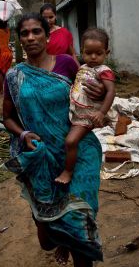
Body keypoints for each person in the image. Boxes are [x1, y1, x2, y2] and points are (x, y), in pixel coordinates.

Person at [2, 13, 104, 267]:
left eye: (37, 31)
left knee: (80, 221)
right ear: (20, 41)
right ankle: (61, 240)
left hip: (77, 151)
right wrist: (23, 134)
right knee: (48, 239)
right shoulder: (15, 76)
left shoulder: (68, 64)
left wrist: (100, 92)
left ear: (48, 36)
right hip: (41, 158)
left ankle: (76, 245)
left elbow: (91, 94)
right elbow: (7, 118)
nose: (31, 37)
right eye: (25, 33)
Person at [56, 28, 116, 185]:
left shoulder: (104, 71)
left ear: (106, 53)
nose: (94, 57)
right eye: (89, 53)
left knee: (70, 141)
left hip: (88, 114)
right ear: (81, 51)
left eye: (99, 53)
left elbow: (111, 92)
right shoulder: (82, 68)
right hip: (77, 110)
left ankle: (68, 171)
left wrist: (102, 113)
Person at [0, 19, 12, 95]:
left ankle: (1, 91)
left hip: (2, 53)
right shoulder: (8, 30)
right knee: (6, 71)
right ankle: (7, 90)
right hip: (9, 53)